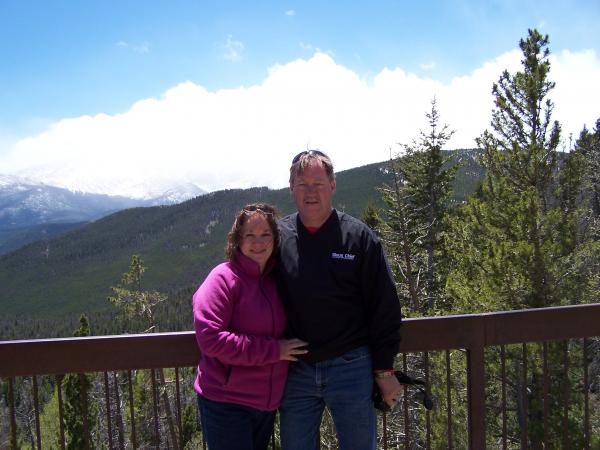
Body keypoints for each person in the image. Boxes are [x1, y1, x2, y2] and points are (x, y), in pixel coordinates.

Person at [276, 150, 403, 450]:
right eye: (303, 184)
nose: (311, 192)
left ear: (333, 185)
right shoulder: (277, 237)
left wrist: (384, 371)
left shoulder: (359, 237)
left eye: (318, 183)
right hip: (296, 370)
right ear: (291, 187)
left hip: (351, 365)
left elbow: (384, 307)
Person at [193, 203, 308, 450]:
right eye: (250, 235)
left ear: (276, 240)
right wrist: (274, 351)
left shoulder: (278, 280)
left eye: (266, 234)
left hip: (265, 406)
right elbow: (210, 338)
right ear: (237, 240)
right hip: (226, 403)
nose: (258, 242)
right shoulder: (223, 279)